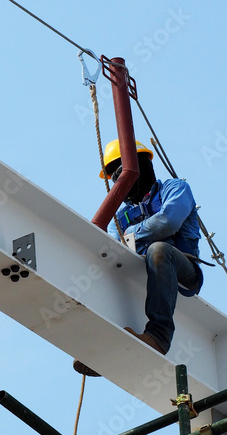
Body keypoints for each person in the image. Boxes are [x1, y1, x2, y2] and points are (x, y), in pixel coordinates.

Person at [75, 140, 207, 377]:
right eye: (116, 176)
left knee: (159, 250)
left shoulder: (174, 188)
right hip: (144, 272)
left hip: (182, 269)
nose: (120, 180)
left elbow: (169, 220)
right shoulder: (122, 214)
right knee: (105, 266)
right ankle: (104, 345)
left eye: (121, 170)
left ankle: (159, 335)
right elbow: (114, 246)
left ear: (140, 164)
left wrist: (133, 233)